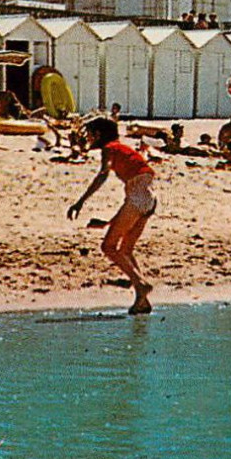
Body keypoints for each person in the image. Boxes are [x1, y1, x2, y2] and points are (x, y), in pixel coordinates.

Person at [66, 116, 157, 314]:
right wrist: (109, 222)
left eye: (90, 134)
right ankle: (142, 300)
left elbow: (103, 174)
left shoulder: (110, 149)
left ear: (98, 134)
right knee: (126, 250)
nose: (88, 138)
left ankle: (140, 284)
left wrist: (81, 201)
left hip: (137, 197)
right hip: (149, 199)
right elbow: (140, 192)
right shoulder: (122, 148)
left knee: (108, 247)